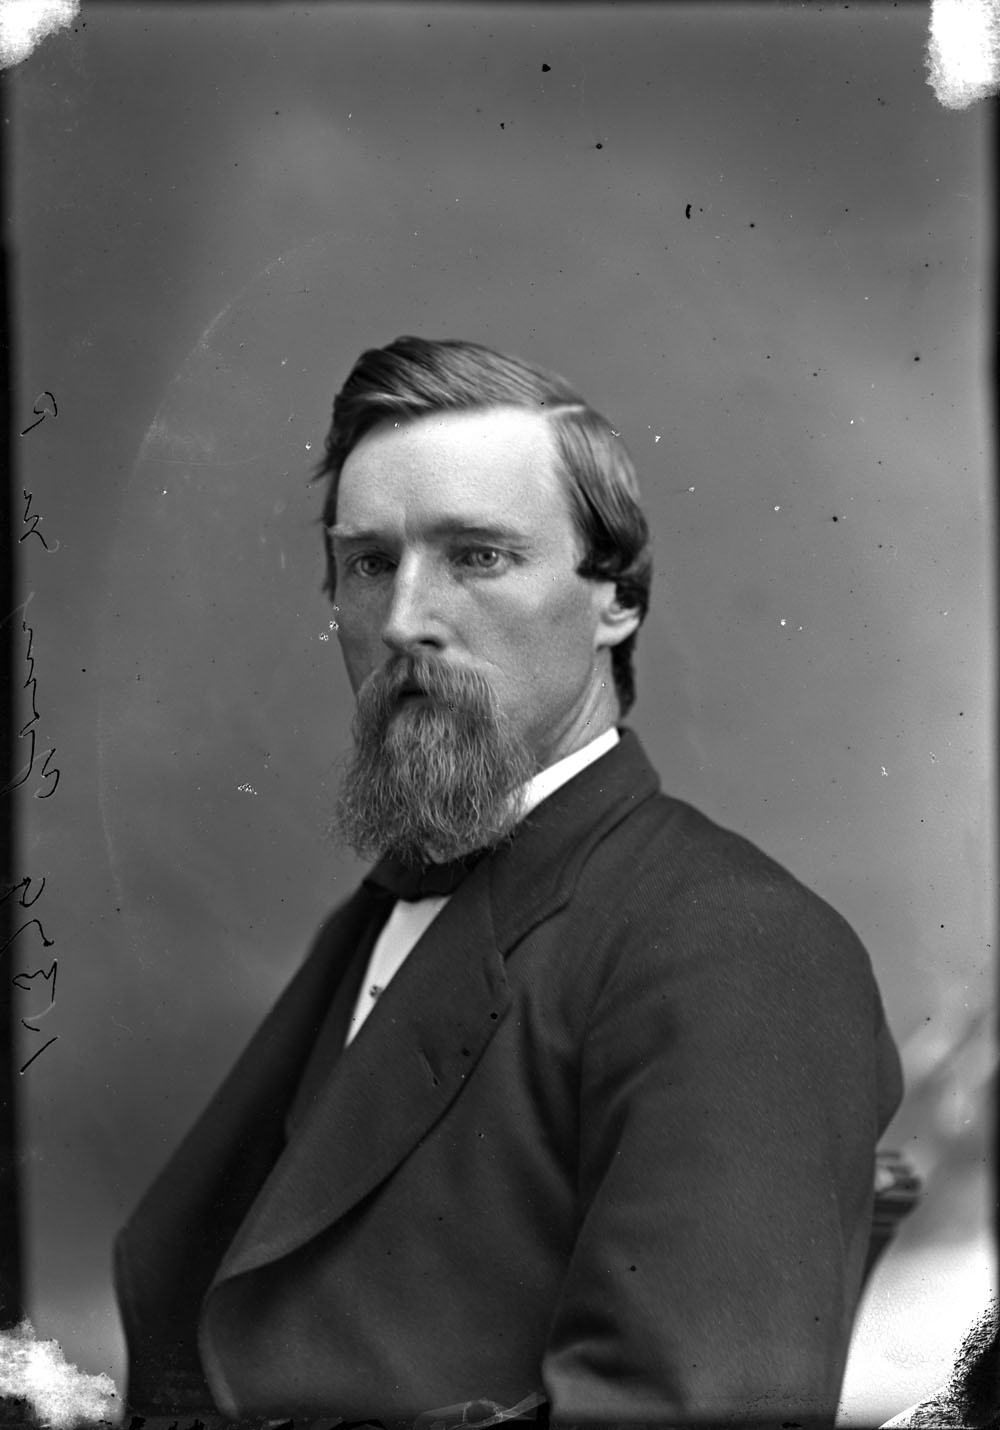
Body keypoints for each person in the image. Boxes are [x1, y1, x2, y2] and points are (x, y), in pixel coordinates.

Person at [115, 337, 904, 1427]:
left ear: (616, 597)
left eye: (477, 556)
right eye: (369, 562)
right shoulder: (387, 908)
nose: (404, 619)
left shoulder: (735, 945)